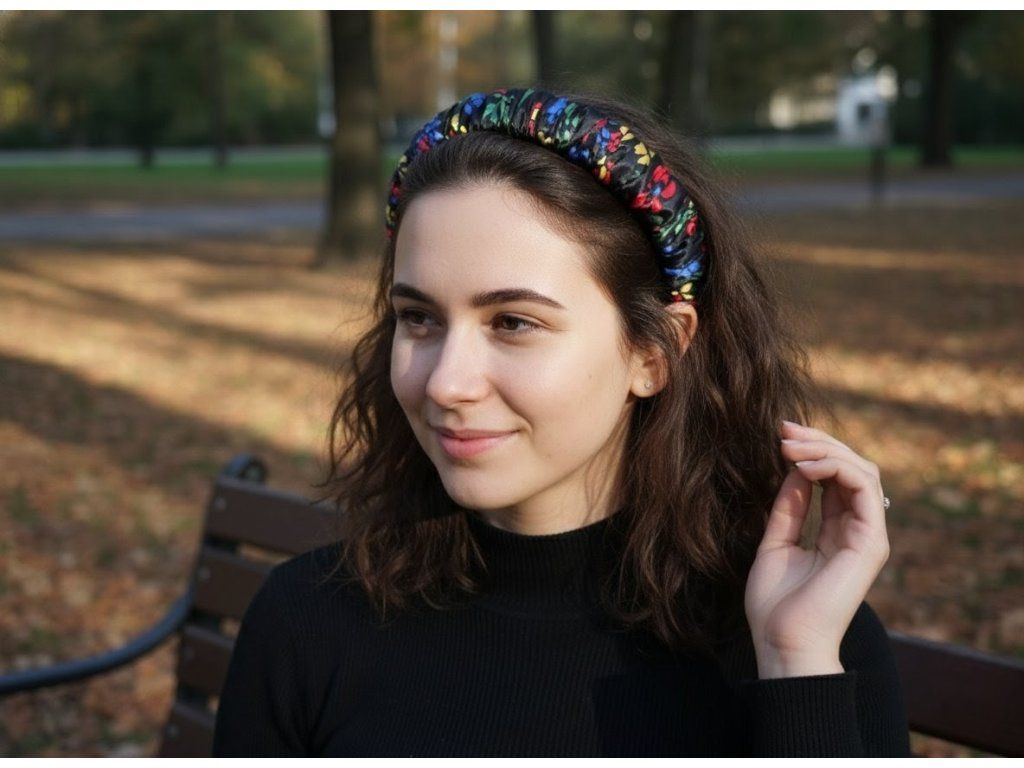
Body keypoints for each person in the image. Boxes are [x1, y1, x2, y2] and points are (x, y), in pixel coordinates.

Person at [212, 86, 911, 757]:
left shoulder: (807, 644)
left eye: (513, 323)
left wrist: (794, 666)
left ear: (655, 353)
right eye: (418, 318)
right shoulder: (308, 624)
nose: (446, 383)